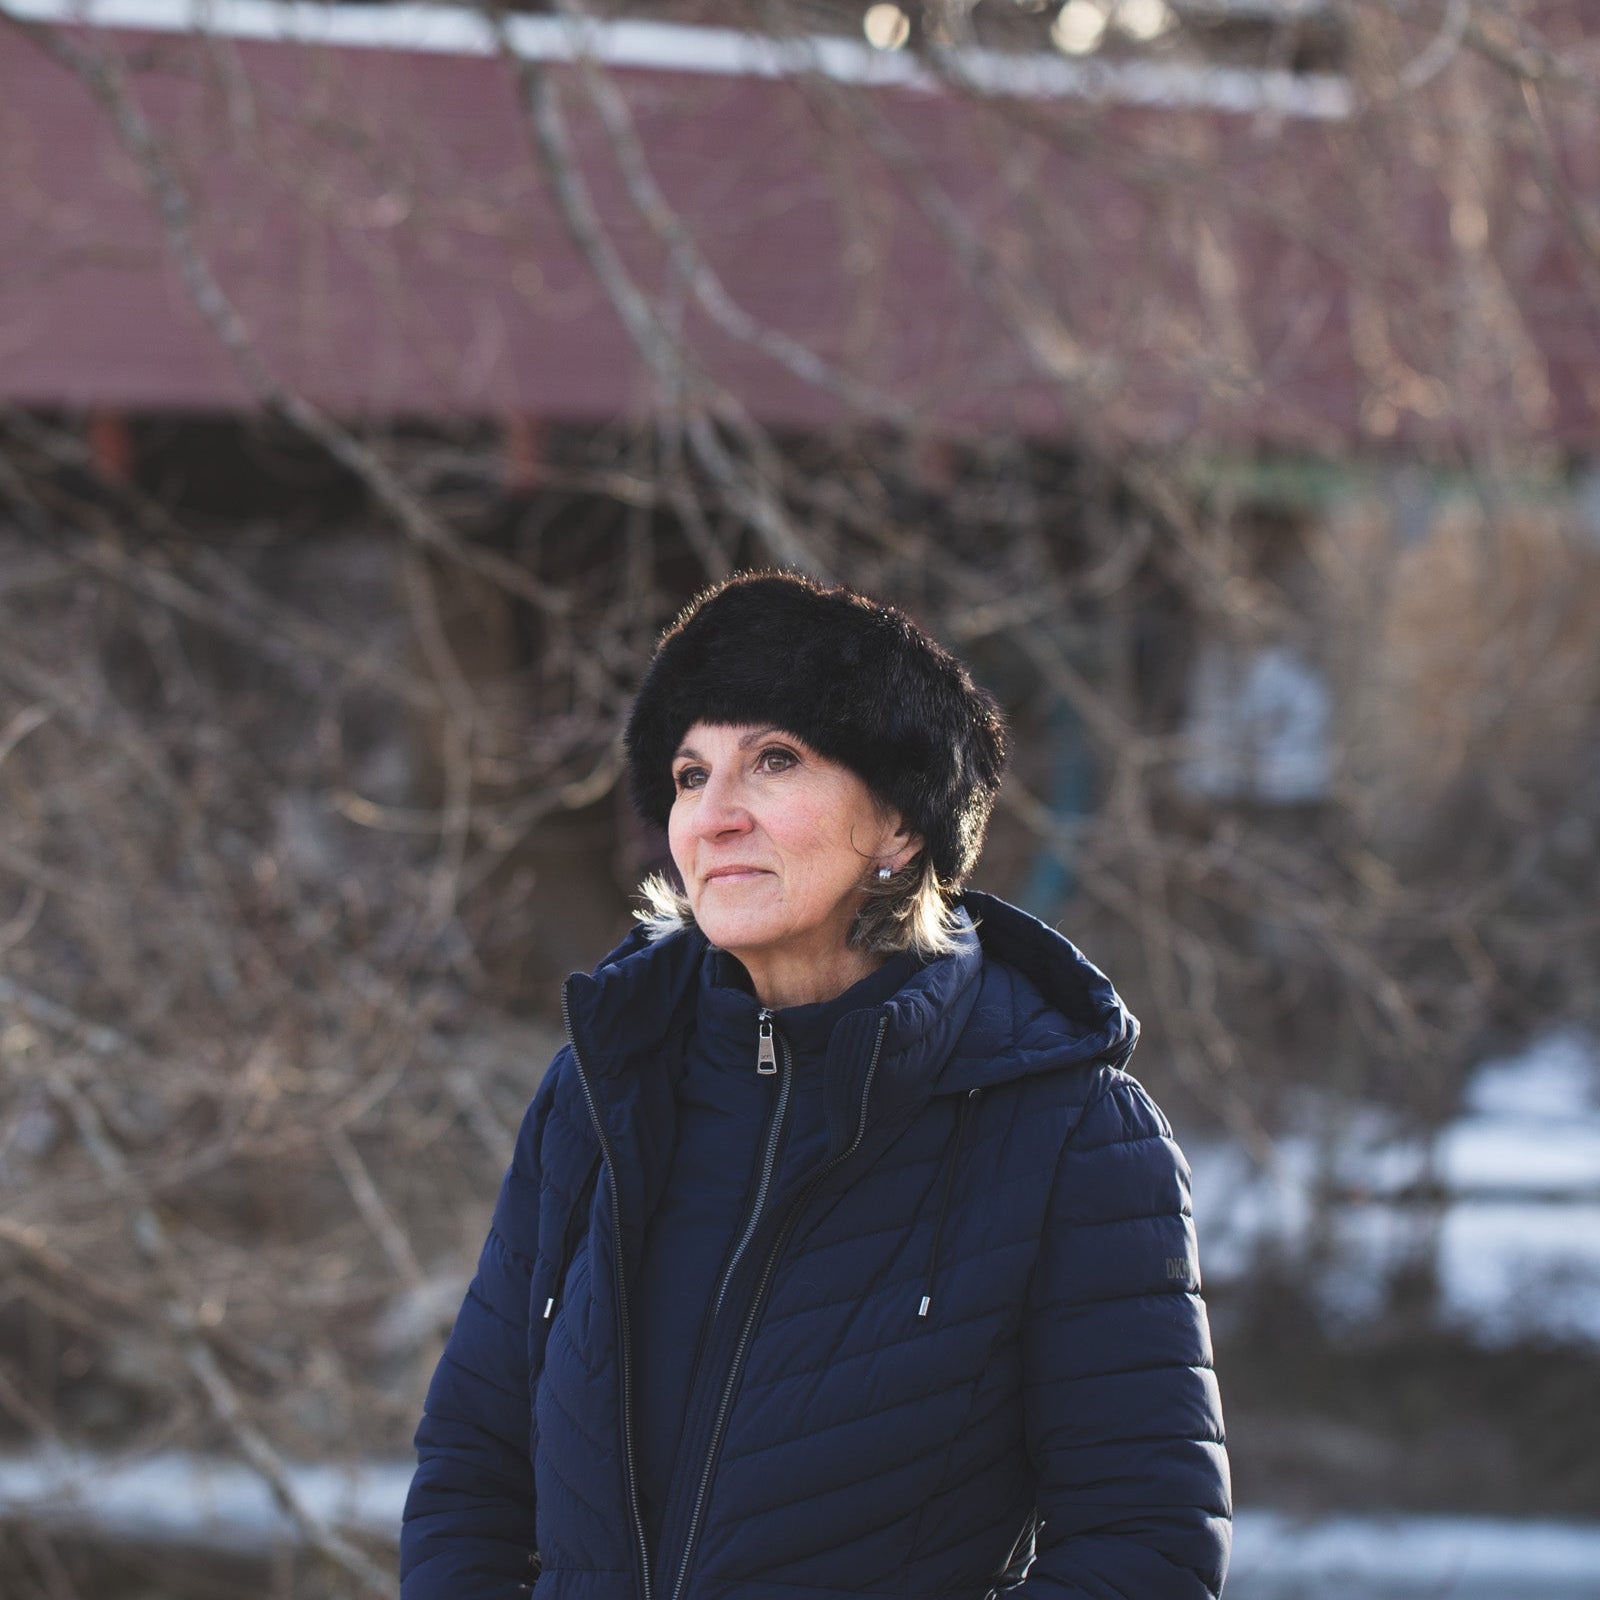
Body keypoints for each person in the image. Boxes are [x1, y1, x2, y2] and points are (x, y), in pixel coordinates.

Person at [400, 572, 1231, 1600]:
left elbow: (1145, 1545)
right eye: (690, 775)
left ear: (900, 825)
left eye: (774, 761)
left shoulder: (1071, 1132)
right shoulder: (599, 1092)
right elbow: (471, 1468)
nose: (714, 816)